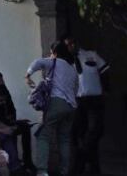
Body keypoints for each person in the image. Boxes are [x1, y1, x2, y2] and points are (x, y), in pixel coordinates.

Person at [26, 41, 79, 176]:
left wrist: (28, 75)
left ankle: (42, 171)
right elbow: (76, 88)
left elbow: (38, 62)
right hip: (71, 107)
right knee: (65, 139)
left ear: (55, 53)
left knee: (42, 135)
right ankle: (64, 171)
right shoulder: (72, 68)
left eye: (51, 53)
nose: (50, 56)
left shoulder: (54, 61)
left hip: (57, 103)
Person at [65, 37, 109, 175]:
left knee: (95, 131)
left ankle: (79, 163)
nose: (71, 46)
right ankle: (92, 168)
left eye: (73, 43)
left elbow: (105, 71)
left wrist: (106, 89)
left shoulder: (91, 55)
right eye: (68, 45)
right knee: (78, 134)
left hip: (94, 99)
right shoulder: (64, 62)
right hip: (77, 101)